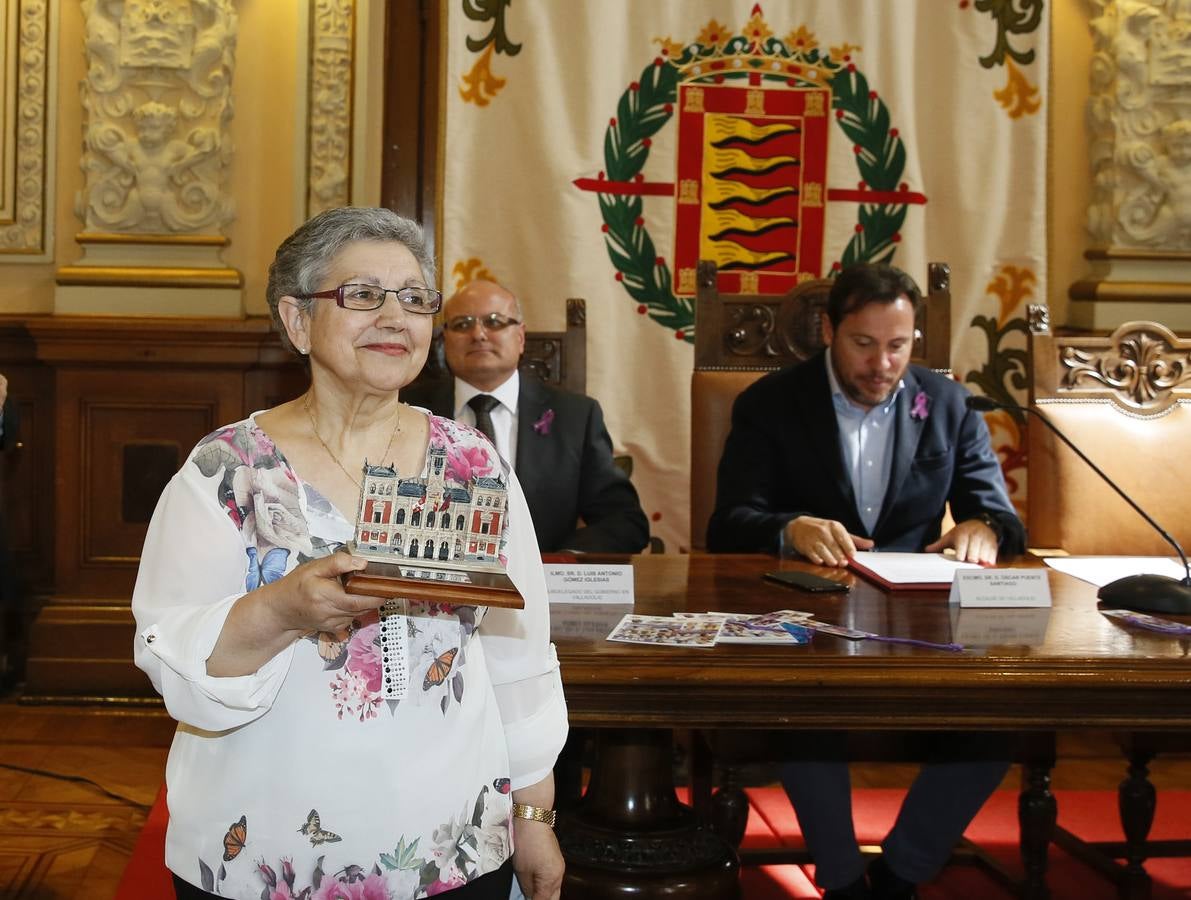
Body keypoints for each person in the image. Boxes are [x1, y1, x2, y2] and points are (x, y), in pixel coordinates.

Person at [132, 208, 568, 900]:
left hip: (452, 847)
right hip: (267, 855)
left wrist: (534, 813)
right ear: (297, 320)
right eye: (363, 295)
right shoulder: (229, 471)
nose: (396, 318)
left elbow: (519, 655)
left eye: (415, 298)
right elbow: (173, 657)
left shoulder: (473, 464)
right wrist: (283, 608)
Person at [707, 262, 1025, 900]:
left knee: (1000, 720)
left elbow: (999, 516)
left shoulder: (950, 406)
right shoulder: (771, 403)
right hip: (809, 623)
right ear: (829, 330)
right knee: (809, 713)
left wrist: (983, 530)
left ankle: (902, 870)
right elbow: (728, 524)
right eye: (864, 343)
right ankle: (845, 879)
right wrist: (788, 527)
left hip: (919, 627)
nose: (883, 363)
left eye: (898, 345)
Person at [403, 280, 649, 555]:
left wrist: (560, 564)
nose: (478, 334)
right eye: (462, 324)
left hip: (543, 585)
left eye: (494, 322)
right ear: (443, 340)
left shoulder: (576, 417)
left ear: (520, 337)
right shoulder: (407, 409)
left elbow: (624, 521)